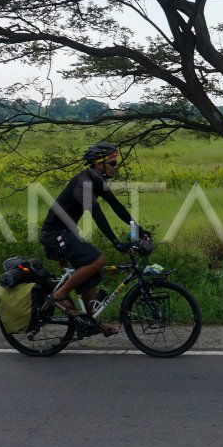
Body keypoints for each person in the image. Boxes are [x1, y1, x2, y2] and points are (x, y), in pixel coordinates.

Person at [39, 141, 148, 335]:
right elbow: (97, 215)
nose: (116, 167)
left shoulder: (97, 180)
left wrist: (139, 230)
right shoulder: (84, 184)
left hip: (67, 232)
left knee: (89, 278)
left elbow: (117, 207)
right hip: (54, 233)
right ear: (98, 164)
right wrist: (116, 243)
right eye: (112, 163)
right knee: (97, 260)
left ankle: (91, 322)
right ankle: (59, 294)